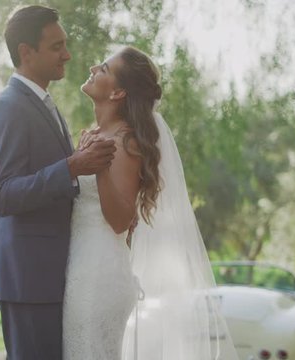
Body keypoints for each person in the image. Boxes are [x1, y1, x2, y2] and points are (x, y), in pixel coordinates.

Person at [63, 46, 239, 359]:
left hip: (97, 276)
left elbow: (119, 220)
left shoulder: (123, 141)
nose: (92, 67)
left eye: (103, 68)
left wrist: (99, 164)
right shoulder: (98, 136)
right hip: (82, 267)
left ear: (117, 92)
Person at [0, 5, 117, 360]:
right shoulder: (6, 108)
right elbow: (2, 195)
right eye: (56, 47)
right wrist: (71, 167)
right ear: (26, 52)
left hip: (51, 276)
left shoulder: (44, 105)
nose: (67, 55)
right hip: (28, 278)